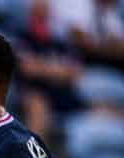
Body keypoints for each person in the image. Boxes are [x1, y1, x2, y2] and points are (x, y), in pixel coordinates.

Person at [14, 0, 83, 140]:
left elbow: (75, 73)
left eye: (45, 9)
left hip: (61, 94)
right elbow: (27, 68)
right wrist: (57, 70)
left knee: (104, 107)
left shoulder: (58, 40)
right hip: (30, 92)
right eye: (38, 9)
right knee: (38, 105)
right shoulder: (20, 34)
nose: (43, 13)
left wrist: (42, 67)